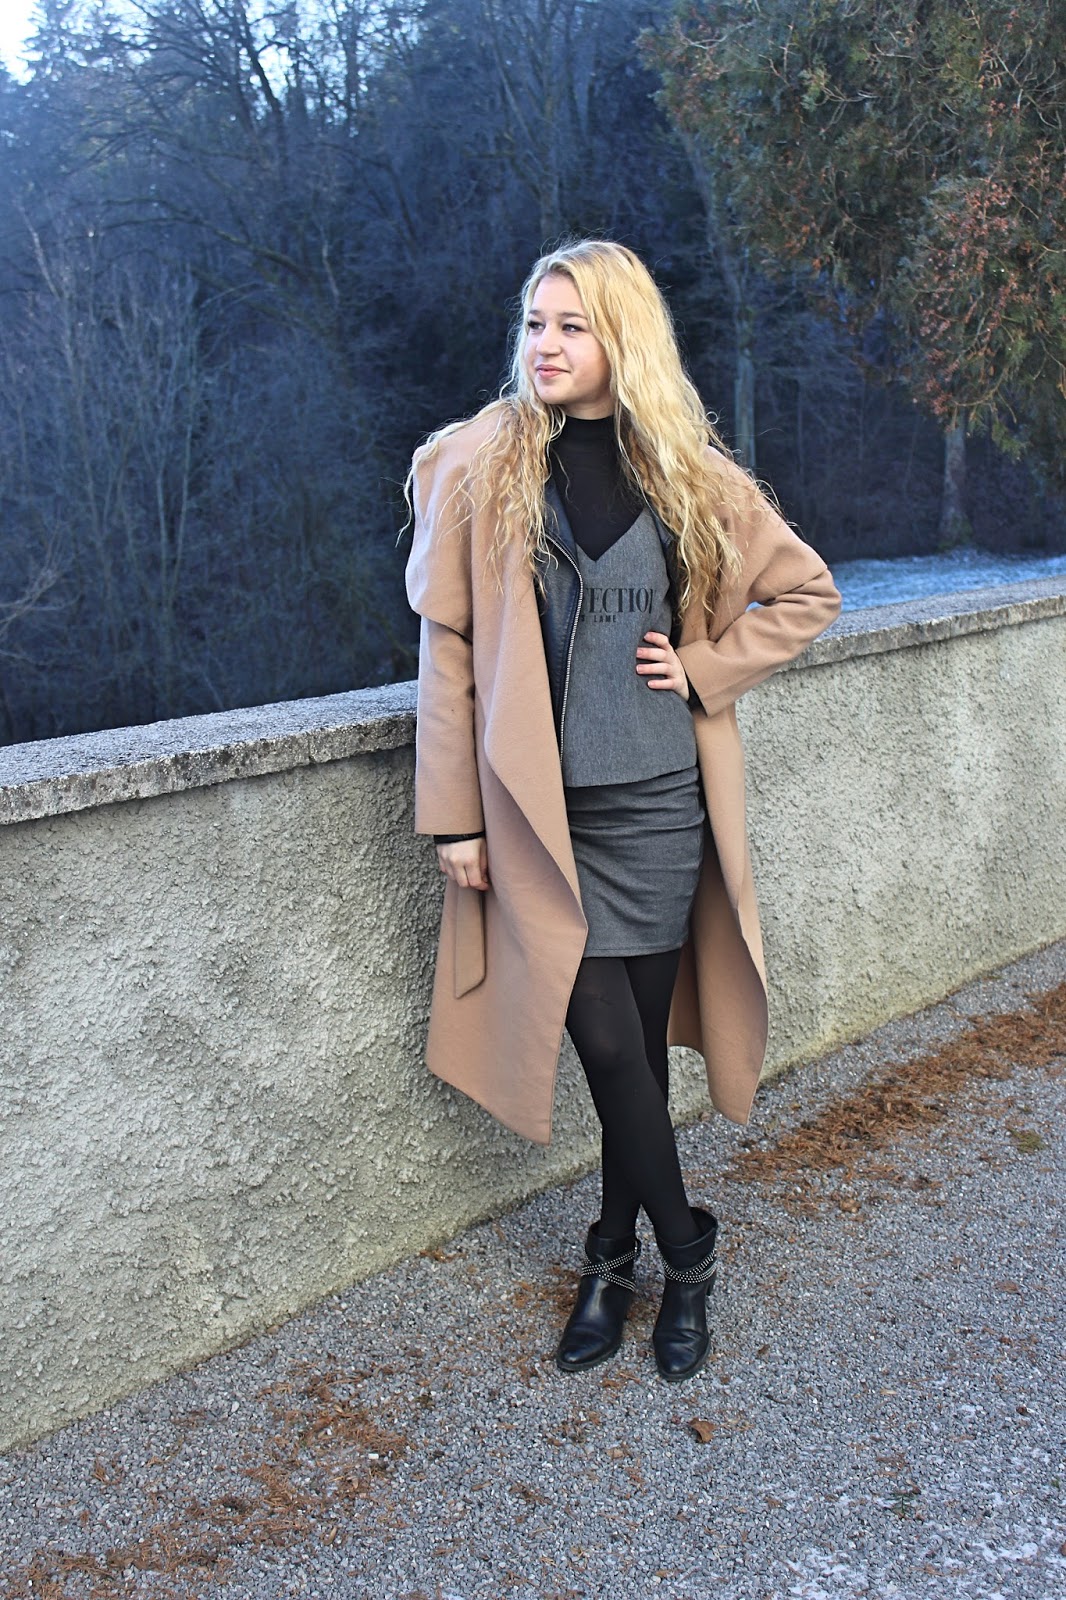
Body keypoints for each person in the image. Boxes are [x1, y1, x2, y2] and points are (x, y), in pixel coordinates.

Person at [405, 239, 840, 1383]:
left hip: (655, 805)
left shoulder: (685, 471)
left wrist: (702, 668)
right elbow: (446, 651)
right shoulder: (479, 462)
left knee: (632, 1053)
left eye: (573, 326)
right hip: (538, 820)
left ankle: (610, 1255)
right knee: (602, 1041)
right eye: (535, 324)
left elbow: (807, 592)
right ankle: (688, 1255)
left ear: (622, 338)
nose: (544, 346)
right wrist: (454, 819)